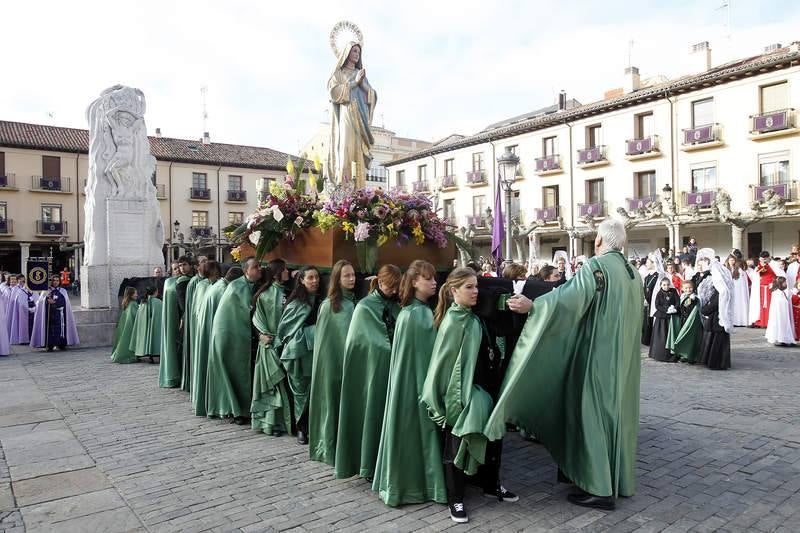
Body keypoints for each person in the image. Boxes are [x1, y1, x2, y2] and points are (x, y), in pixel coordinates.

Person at [485, 218, 643, 511]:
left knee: (590, 416)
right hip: (625, 362)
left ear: (598, 241)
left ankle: (599, 489)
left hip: (597, 359)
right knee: (615, 416)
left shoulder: (597, 268)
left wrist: (534, 306)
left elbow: (568, 299)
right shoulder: (632, 272)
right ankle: (615, 479)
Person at [421, 268, 517, 524]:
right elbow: (443, 367)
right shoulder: (453, 321)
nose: (476, 292)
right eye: (469, 287)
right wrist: (455, 401)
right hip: (461, 395)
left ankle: (490, 484)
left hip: (483, 387)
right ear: (453, 291)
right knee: (456, 442)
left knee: (493, 436)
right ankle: (456, 498)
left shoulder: (474, 318)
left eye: (476, 286)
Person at [372, 260, 447, 507]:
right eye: (428, 278)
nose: (434, 282)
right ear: (415, 282)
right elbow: (430, 363)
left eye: (434, 278)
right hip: (416, 388)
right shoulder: (420, 315)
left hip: (407, 388)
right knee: (419, 434)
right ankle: (421, 485)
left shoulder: (409, 312)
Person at [335, 265, 401, 480]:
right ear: (381, 283)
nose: (393, 290)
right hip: (374, 371)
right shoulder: (364, 307)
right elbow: (364, 342)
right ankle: (369, 464)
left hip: (395, 368)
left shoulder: (398, 304)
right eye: (391, 286)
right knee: (372, 414)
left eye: (396, 287)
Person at [308, 259, 357, 465]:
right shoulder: (328, 306)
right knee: (331, 403)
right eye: (346, 275)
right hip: (331, 365)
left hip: (348, 364)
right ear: (337, 279)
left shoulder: (354, 302)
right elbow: (325, 342)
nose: (352, 278)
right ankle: (328, 446)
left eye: (353, 274)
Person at [206, 258, 262, 424]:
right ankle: (236, 410)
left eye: (260, 266)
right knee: (235, 370)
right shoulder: (238, 286)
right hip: (230, 335)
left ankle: (240, 409)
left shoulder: (247, 284)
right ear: (246, 271)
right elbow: (245, 311)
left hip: (236, 333)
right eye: (256, 267)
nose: (260, 269)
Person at [278, 266, 321, 444]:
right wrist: (316, 331)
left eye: (316, 277)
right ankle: (301, 429)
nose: (314, 281)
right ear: (302, 280)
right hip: (299, 356)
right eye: (310, 278)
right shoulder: (295, 303)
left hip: (316, 354)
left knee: (314, 393)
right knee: (301, 394)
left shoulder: (322, 301)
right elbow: (287, 333)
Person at [327, 41, 377, 188]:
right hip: (347, 113)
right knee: (346, 146)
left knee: (358, 150)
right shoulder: (339, 74)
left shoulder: (360, 74)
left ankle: (359, 188)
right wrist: (354, 83)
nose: (357, 54)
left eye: (358, 52)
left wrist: (362, 85)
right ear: (347, 52)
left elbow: (372, 94)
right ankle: (344, 187)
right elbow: (334, 93)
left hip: (361, 116)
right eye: (354, 51)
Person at [251, 259, 292, 436]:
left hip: (274, 343)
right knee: (275, 387)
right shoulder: (268, 295)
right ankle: (273, 423)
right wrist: (263, 335)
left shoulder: (270, 293)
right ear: (278, 273)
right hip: (271, 344)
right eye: (286, 270)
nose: (288, 272)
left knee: (277, 386)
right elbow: (257, 318)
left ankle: (277, 422)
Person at [190, 261, 223, 416]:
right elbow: (200, 309)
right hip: (205, 327)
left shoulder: (217, 285)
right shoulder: (203, 286)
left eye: (217, 270)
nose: (216, 273)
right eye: (213, 271)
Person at [697, 250, 733, 370]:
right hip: (714, 314)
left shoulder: (720, 287)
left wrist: (705, 309)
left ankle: (717, 362)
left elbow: (718, 298)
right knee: (713, 338)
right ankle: (711, 361)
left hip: (717, 315)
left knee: (717, 339)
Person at [159, 258, 190, 388]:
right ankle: (172, 375)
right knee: (171, 344)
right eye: (175, 268)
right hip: (171, 319)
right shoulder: (168, 282)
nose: (178, 270)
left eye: (180, 267)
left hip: (181, 316)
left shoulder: (185, 281)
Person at [30, 275, 79, 351]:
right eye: (54, 280)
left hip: (60, 314)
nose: (55, 282)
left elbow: (66, 302)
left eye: (57, 280)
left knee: (60, 328)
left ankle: (61, 344)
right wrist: (46, 300)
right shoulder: (46, 291)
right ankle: (50, 345)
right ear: (51, 281)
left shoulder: (63, 291)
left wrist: (55, 302)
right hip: (49, 314)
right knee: (50, 329)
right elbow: (40, 302)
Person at [181, 255, 208, 392]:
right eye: (203, 261)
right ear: (197, 267)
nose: (206, 263)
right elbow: (192, 307)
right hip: (196, 323)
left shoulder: (210, 281)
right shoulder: (194, 282)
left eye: (207, 260)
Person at [669, 280, 703, 363]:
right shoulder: (682, 296)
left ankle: (690, 356)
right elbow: (679, 307)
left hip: (691, 322)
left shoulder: (695, 298)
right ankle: (680, 354)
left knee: (689, 338)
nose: (688, 289)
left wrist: (693, 301)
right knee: (681, 336)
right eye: (686, 288)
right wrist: (674, 309)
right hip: (682, 320)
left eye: (690, 288)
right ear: (682, 288)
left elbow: (696, 309)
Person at [649, 278, 681, 362]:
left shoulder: (673, 291)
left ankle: (673, 354)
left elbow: (678, 301)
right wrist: (666, 309)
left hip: (672, 317)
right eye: (664, 285)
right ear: (661, 285)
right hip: (662, 318)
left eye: (667, 284)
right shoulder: (659, 293)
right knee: (662, 335)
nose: (666, 286)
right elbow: (657, 305)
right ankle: (660, 354)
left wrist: (675, 308)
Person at [130, 286, 162, 363]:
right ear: (155, 292)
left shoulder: (142, 302)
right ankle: (155, 352)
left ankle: (141, 352)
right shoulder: (158, 302)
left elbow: (140, 317)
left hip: (144, 328)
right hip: (154, 327)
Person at [111, 287, 139, 364]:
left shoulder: (126, 303)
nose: (137, 295)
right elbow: (136, 316)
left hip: (124, 327)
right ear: (131, 295)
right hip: (130, 328)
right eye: (135, 293)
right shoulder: (133, 304)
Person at [765, 277, 795, 346]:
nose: (785, 283)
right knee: (780, 325)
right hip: (779, 314)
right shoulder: (776, 293)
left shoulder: (782, 291)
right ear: (780, 283)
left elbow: (788, 297)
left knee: (785, 325)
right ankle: (780, 339)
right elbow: (778, 303)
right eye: (784, 282)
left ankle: (784, 339)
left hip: (784, 314)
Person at [752, 251, 776, 328]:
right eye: (762, 259)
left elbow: (778, 275)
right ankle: (762, 321)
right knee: (761, 305)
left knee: (770, 305)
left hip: (771, 288)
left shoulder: (774, 265)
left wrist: (773, 283)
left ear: (769, 258)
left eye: (766, 259)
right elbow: (755, 277)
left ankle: (770, 321)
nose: (764, 261)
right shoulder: (758, 266)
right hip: (761, 288)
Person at [8, 275, 35, 344]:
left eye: (22, 280)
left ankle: (29, 338)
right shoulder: (15, 289)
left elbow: (33, 295)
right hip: (19, 309)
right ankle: (21, 338)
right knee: (19, 323)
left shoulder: (27, 287)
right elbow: (13, 301)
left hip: (29, 308)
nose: (21, 281)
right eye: (19, 280)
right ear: (17, 280)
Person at [726, 255, 750, 327]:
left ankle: (739, 321)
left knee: (738, 304)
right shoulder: (726, 269)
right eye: (730, 260)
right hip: (729, 290)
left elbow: (742, 282)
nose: (732, 262)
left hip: (737, 291)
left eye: (733, 260)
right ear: (728, 261)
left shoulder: (739, 270)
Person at [641, 257, 658, 346]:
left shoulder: (657, 276)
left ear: (653, 263)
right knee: (646, 321)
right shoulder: (648, 276)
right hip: (647, 301)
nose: (646, 264)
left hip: (653, 302)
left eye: (648, 262)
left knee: (651, 321)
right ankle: (646, 339)